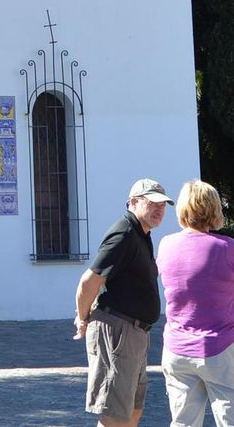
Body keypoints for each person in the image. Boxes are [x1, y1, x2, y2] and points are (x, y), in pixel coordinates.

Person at [157, 180, 234, 427]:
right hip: (220, 347)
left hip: (177, 348)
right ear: (214, 209)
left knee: (183, 422)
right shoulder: (229, 248)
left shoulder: (166, 244)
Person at [73, 178, 173, 427]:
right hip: (118, 331)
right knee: (114, 416)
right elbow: (89, 281)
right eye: (152, 203)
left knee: (132, 411)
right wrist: (83, 317)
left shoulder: (142, 233)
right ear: (133, 202)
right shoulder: (125, 232)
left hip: (134, 333)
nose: (159, 209)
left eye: (163, 204)